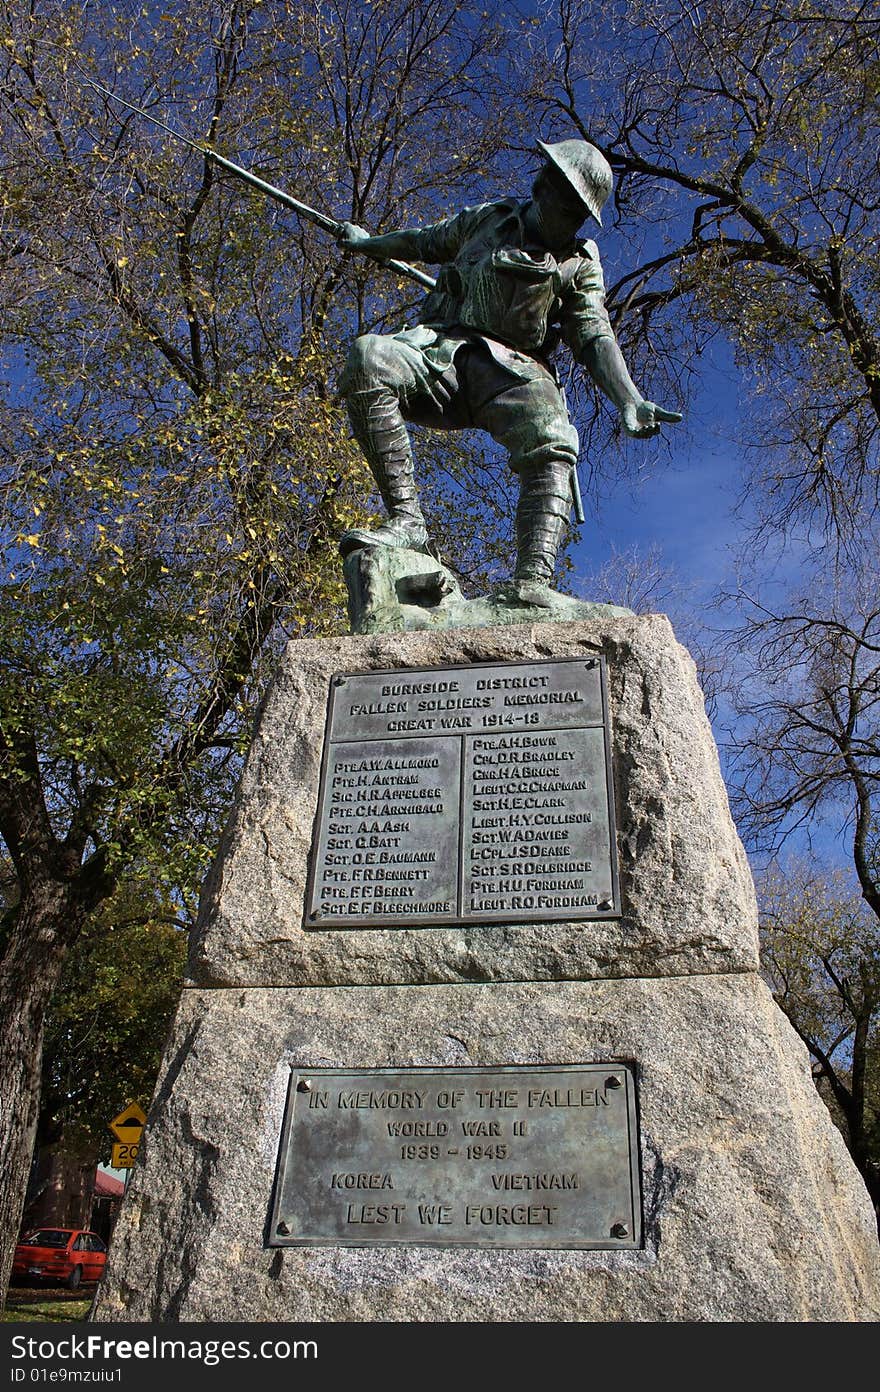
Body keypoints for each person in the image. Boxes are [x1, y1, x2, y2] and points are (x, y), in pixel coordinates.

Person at [337, 139, 681, 606]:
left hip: (515, 373)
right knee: (369, 357)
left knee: (553, 437)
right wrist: (367, 244)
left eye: (578, 211)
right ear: (548, 191)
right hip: (444, 356)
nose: (546, 192)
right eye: (561, 195)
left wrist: (628, 398)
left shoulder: (579, 265)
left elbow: (593, 333)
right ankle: (408, 522)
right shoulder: (490, 219)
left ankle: (532, 581)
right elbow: (424, 241)